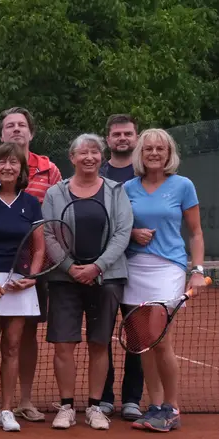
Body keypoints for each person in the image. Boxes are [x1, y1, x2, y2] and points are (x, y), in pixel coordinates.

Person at [0, 107, 63, 423]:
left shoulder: (32, 201)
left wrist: (31, 276)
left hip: (21, 283)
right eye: (2, 162)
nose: (7, 167)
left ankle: (7, 409)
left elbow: (39, 245)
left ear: (22, 170)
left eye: (13, 163)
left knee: (14, 347)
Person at [40, 133, 132, 432]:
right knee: (64, 345)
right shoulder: (56, 193)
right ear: (72, 158)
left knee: (99, 342)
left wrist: (97, 267)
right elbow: (50, 233)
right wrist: (70, 267)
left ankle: (95, 406)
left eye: (95, 152)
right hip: (64, 279)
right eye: (83, 153)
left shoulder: (116, 191)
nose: (89, 157)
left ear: (102, 157)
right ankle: (66, 406)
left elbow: (122, 232)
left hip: (106, 278)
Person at [123, 129, 206, 432]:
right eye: (148, 149)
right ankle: (155, 405)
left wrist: (197, 270)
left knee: (160, 339)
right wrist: (133, 233)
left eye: (160, 148)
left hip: (168, 268)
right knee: (144, 343)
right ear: (140, 155)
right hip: (135, 268)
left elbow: (196, 233)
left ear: (169, 153)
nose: (154, 153)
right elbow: (120, 228)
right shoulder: (128, 188)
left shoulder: (183, 186)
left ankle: (171, 407)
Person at [98, 114, 145, 421]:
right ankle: (102, 397)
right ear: (108, 140)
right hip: (104, 266)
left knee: (137, 334)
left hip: (141, 265)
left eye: (128, 133)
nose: (123, 138)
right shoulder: (95, 171)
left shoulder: (148, 172)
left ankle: (132, 398)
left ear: (136, 137)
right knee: (101, 333)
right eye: (117, 134)